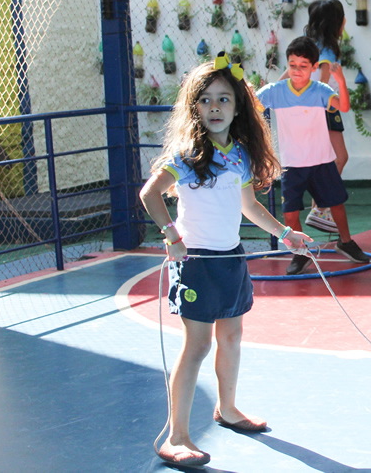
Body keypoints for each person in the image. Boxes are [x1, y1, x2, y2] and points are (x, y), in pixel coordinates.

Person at [139, 54, 312, 467]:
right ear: (194, 107)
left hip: (230, 259)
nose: (215, 108)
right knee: (197, 346)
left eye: (224, 100)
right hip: (196, 263)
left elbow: (249, 206)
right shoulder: (184, 157)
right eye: (207, 101)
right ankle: (178, 435)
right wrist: (171, 235)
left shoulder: (239, 157)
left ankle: (228, 409)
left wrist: (286, 234)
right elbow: (149, 195)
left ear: (238, 108)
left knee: (231, 338)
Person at [257, 37, 370, 275]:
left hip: (321, 161)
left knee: (336, 204)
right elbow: (253, 106)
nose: (297, 70)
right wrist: (244, 90)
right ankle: (300, 253)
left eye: (303, 65)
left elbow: (344, 107)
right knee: (290, 213)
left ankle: (346, 242)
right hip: (291, 164)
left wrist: (340, 80)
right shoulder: (275, 91)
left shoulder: (321, 90)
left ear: (314, 67)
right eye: (292, 64)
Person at [302, 0, 348, 233]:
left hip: (316, 109)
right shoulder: (327, 49)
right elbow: (323, 77)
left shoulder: (310, 45)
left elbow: (289, 73)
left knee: (326, 160)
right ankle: (320, 208)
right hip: (326, 109)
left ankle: (319, 211)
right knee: (339, 157)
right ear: (338, 23)